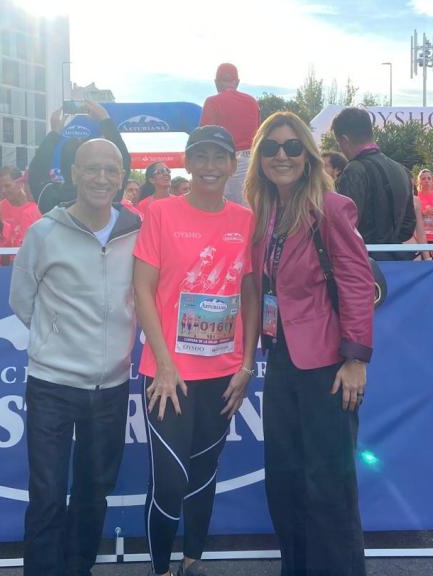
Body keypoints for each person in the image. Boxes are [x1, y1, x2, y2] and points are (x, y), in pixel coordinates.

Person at [245, 112, 373, 576]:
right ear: (259, 158)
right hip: (281, 362)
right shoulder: (266, 212)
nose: (282, 155)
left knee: (329, 489)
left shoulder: (331, 207)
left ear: (308, 155)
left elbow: (358, 283)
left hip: (327, 366)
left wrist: (355, 359)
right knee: (286, 482)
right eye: (272, 148)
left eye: (292, 146)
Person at [9, 138, 142, 576]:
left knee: (94, 492)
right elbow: (21, 301)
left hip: (112, 385)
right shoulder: (43, 233)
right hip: (53, 385)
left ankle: (78, 568)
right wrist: (57, 342)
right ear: (73, 174)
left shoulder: (137, 231)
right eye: (91, 169)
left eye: (111, 169)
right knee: (46, 494)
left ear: (122, 176)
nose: (101, 178)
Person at [133, 125, 259, 576]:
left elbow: (250, 293)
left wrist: (247, 364)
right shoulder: (161, 213)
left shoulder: (246, 221)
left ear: (231, 165)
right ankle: (162, 568)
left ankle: (193, 559)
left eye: (218, 158)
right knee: (169, 481)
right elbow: (143, 290)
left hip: (223, 372)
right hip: (169, 374)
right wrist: (164, 363)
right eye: (200, 157)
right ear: (188, 162)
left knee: (205, 472)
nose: (209, 166)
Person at [331, 107, 416, 260]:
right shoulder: (402, 170)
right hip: (396, 263)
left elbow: (344, 226)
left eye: (339, 143)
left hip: (361, 263)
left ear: (344, 140)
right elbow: (408, 228)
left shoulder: (354, 169)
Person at [28, 101, 132, 213]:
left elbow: (36, 172)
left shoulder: (50, 197)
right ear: (73, 170)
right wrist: (105, 120)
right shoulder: (105, 193)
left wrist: (55, 132)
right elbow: (122, 161)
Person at [200, 63, 260, 206]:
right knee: (249, 209)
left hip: (224, 159)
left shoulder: (212, 101)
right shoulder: (251, 101)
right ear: (237, 82)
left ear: (216, 82)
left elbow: (204, 136)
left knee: (223, 209)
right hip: (251, 160)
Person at [0, 166, 42, 245]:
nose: (3, 191)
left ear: (20, 184)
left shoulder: (36, 209)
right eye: (0, 187)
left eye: (7, 186)